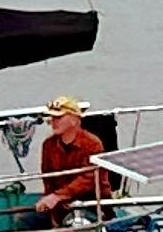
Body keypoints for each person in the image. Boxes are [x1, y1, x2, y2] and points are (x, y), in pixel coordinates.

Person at [32, 95, 108, 225]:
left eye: (58, 118)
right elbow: (48, 178)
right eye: (52, 118)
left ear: (74, 119)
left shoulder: (92, 144)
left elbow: (89, 179)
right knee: (24, 220)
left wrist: (58, 196)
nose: (53, 122)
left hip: (91, 203)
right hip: (60, 205)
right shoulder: (48, 145)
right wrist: (51, 203)